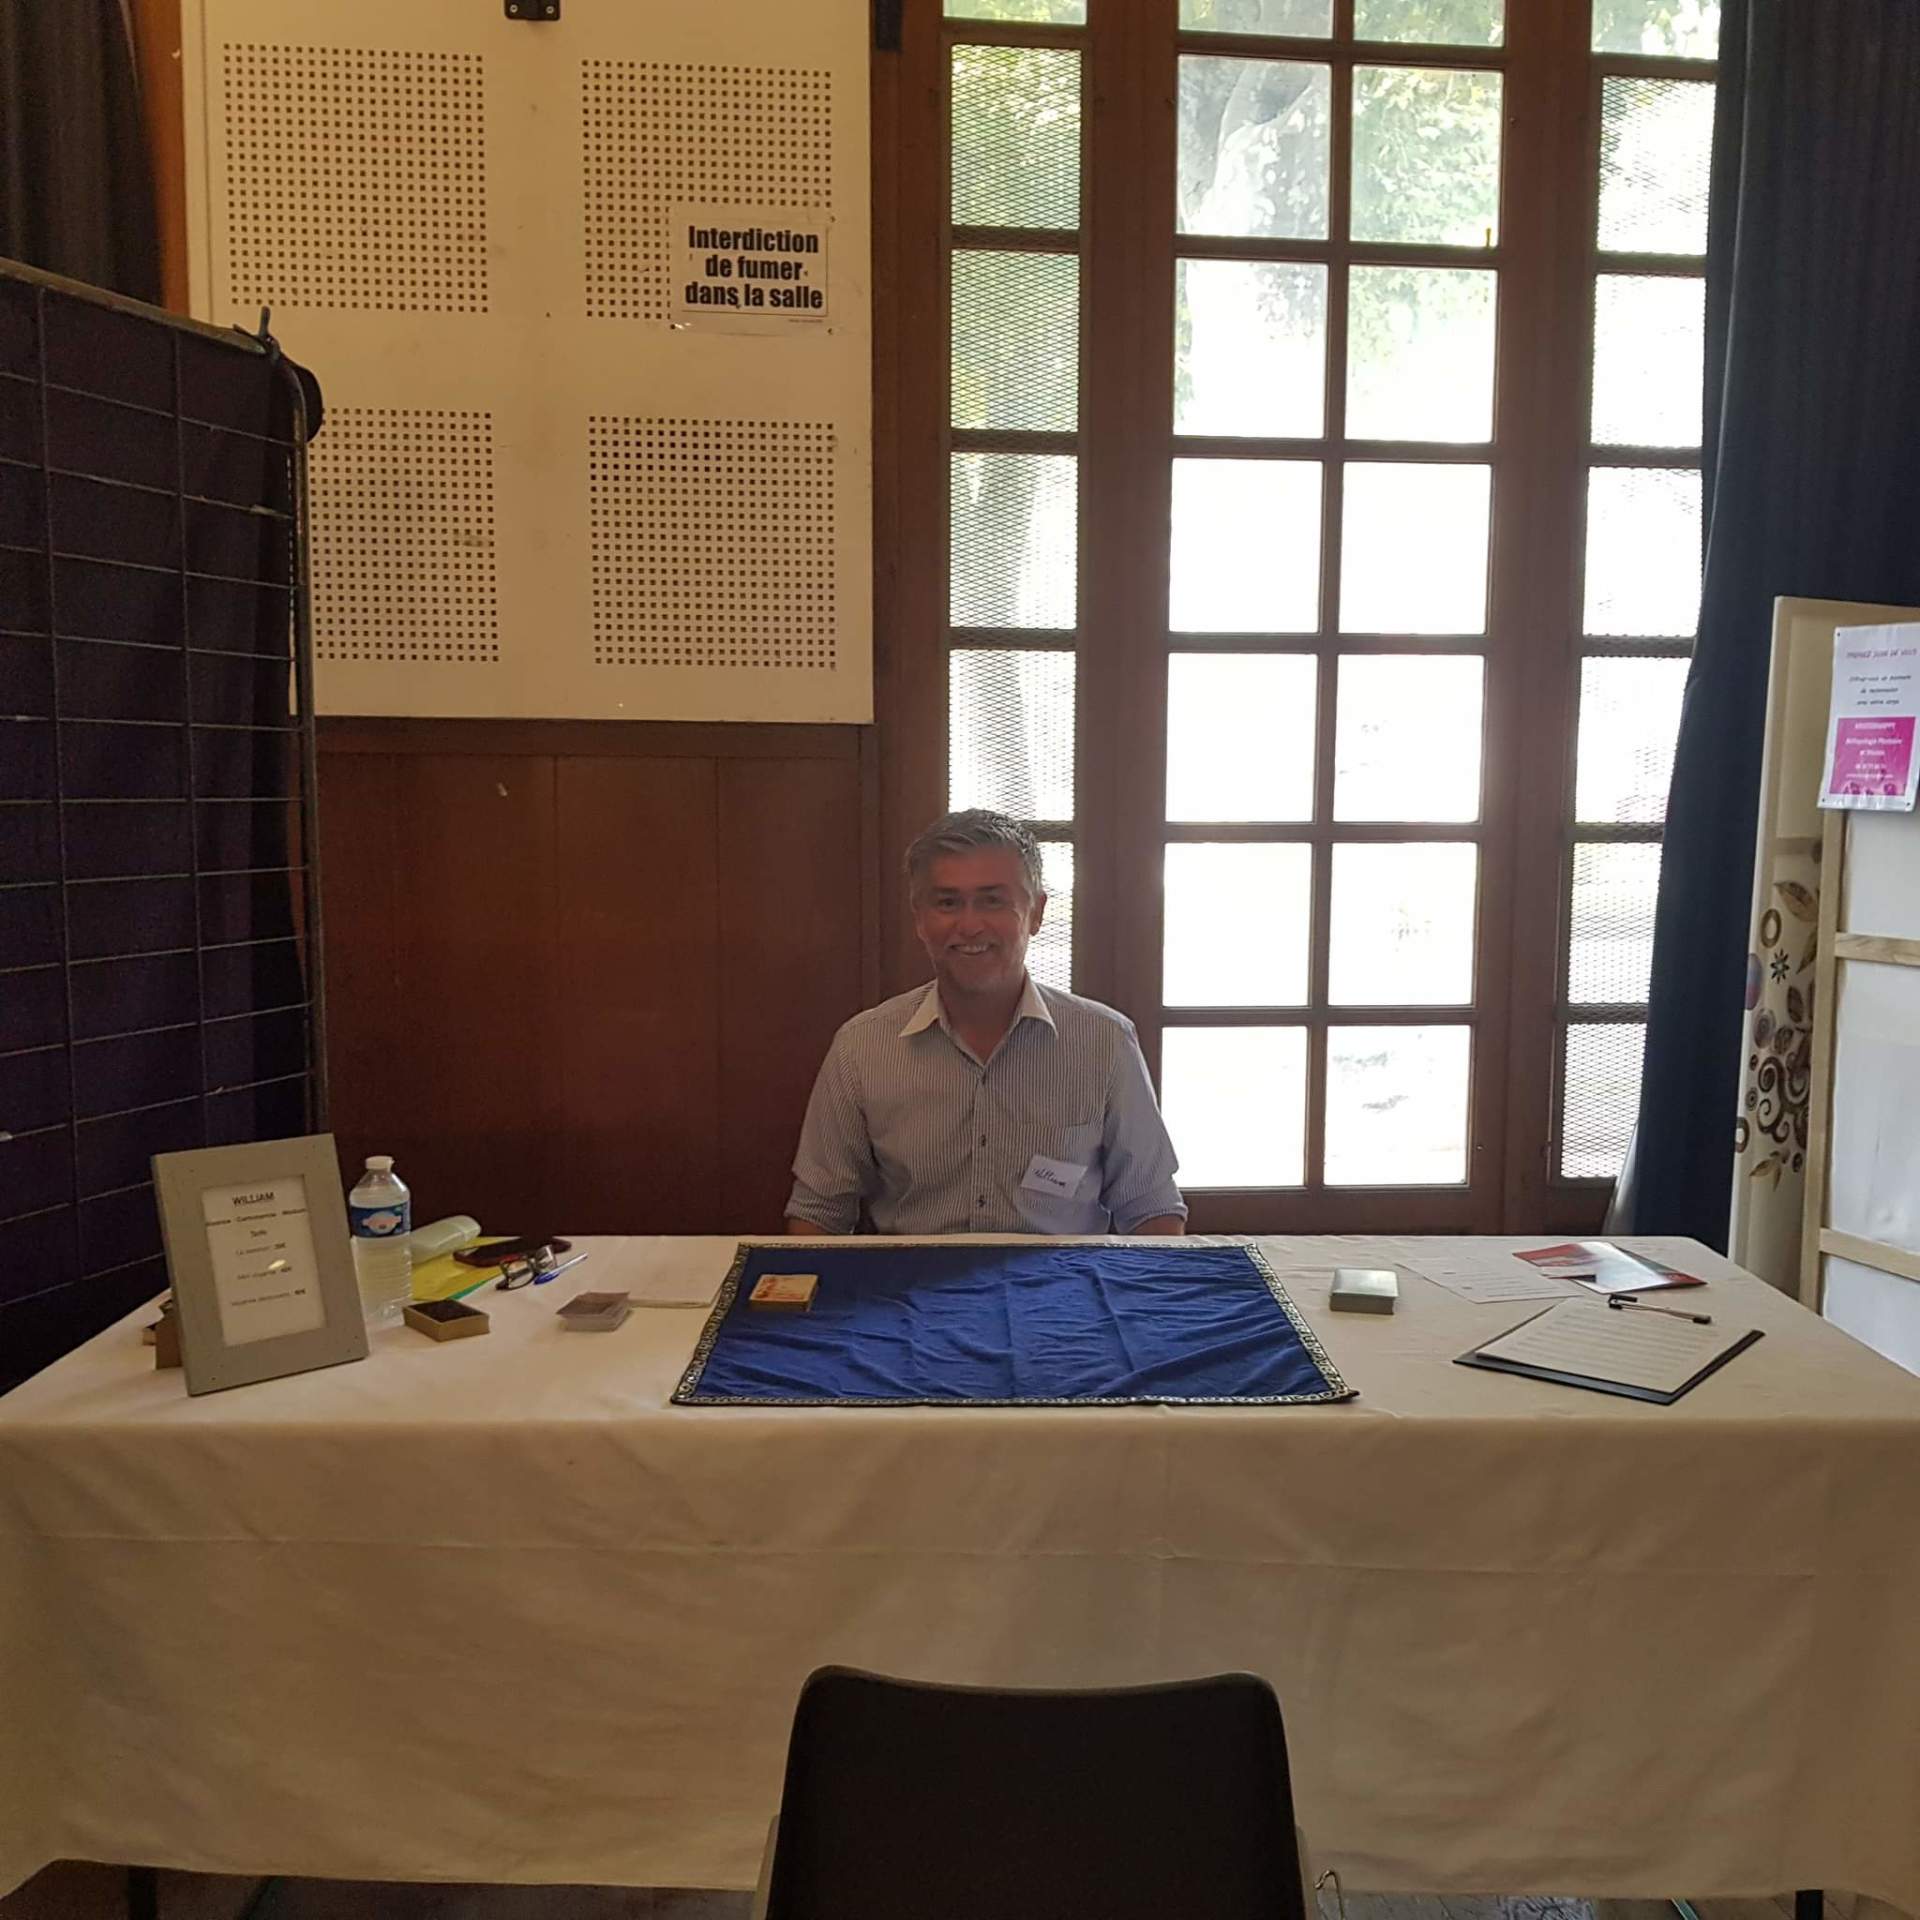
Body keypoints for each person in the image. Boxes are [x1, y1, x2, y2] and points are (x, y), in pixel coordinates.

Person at [786, 810, 1187, 1237]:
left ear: (1036, 913)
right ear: (919, 917)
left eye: (992, 901)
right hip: (911, 1278)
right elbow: (819, 1212)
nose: (970, 926)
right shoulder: (862, 1047)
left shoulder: (1104, 1041)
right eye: (947, 903)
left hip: (1065, 1278)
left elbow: (1151, 1207)